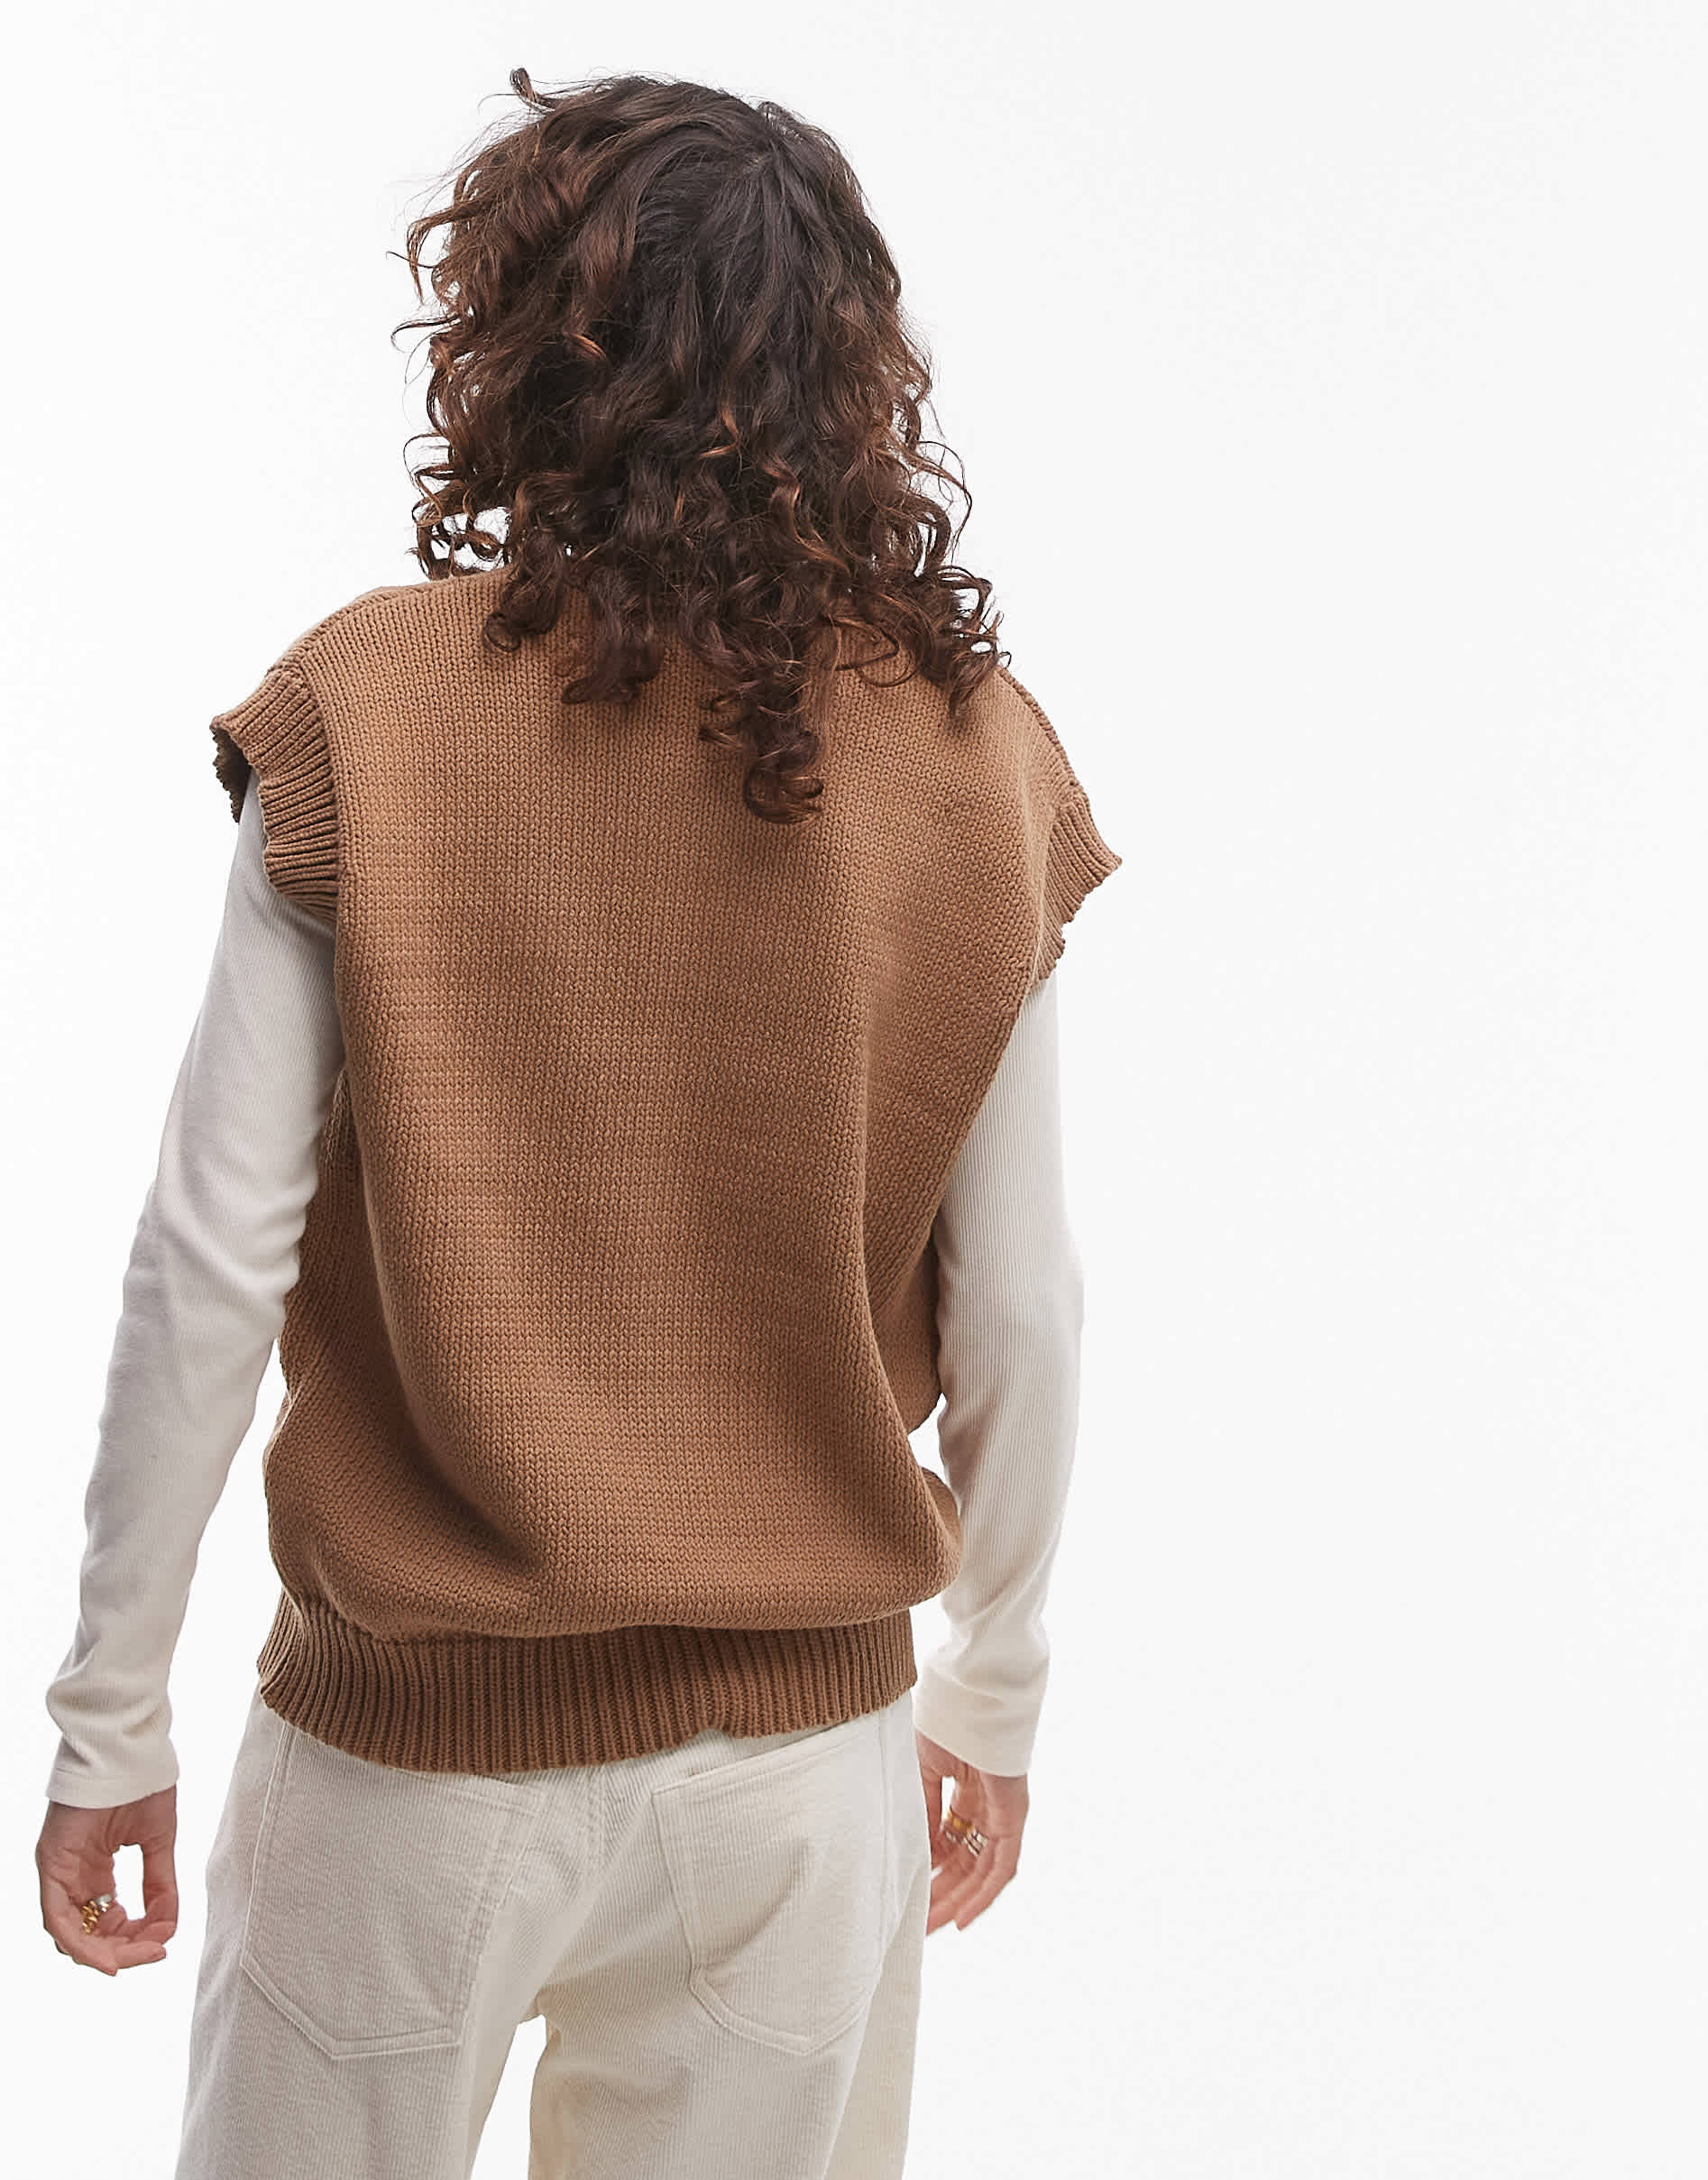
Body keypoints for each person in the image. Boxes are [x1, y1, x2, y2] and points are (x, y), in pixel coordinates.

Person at [34, 67, 1121, 2180]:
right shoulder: (973, 752)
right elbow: (1024, 1309)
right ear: (848, 373)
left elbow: (212, 1252)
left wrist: (110, 1716)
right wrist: (990, 1685)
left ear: (518, 346)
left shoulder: (364, 709)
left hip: (405, 1769)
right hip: (800, 1781)